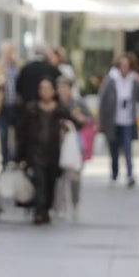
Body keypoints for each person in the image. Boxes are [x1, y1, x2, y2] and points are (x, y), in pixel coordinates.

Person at [17, 76, 73, 224]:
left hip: (54, 154)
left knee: (50, 182)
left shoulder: (60, 110)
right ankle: (40, 211)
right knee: (40, 181)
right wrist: (19, 156)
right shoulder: (32, 108)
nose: (45, 92)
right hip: (35, 153)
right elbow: (22, 133)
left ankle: (46, 209)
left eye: (48, 88)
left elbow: (74, 124)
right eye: (42, 88)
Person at [99, 52, 139, 187]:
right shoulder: (110, 80)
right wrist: (101, 120)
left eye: (126, 65)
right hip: (113, 120)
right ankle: (115, 173)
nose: (124, 68)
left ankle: (130, 174)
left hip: (128, 120)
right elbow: (102, 101)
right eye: (122, 65)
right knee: (114, 149)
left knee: (127, 148)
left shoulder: (134, 81)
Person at [55, 75, 93, 219]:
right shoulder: (55, 104)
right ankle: (59, 206)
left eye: (64, 87)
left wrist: (79, 118)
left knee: (74, 177)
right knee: (59, 178)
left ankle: (75, 204)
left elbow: (90, 120)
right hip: (58, 144)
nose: (62, 90)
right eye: (59, 87)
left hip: (75, 146)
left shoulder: (78, 103)